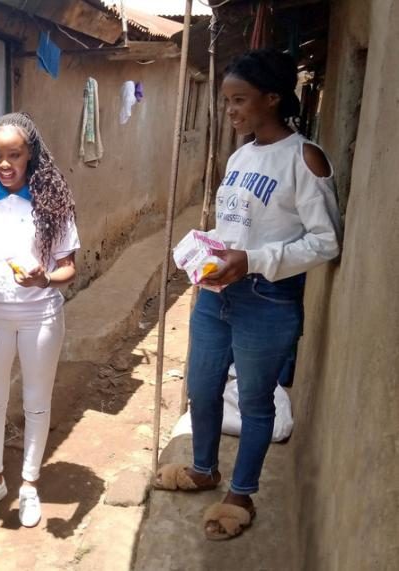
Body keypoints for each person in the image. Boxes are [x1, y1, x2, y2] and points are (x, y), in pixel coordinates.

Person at [154, 49, 341, 540]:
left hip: (267, 299)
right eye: (226, 101)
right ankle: (203, 469)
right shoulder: (241, 155)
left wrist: (253, 261)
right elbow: (236, 224)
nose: (231, 111)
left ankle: (240, 493)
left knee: (257, 403)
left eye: (240, 100)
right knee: (201, 387)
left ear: (273, 98)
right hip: (218, 295)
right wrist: (204, 248)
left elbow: (326, 241)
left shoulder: (304, 157)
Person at [0, 112, 80, 528]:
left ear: (31, 155)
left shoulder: (52, 202)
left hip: (40, 315)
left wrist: (45, 277)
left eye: (14, 154)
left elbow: (69, 267)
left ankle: (28, 483)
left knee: (35, 402)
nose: (4, 164)